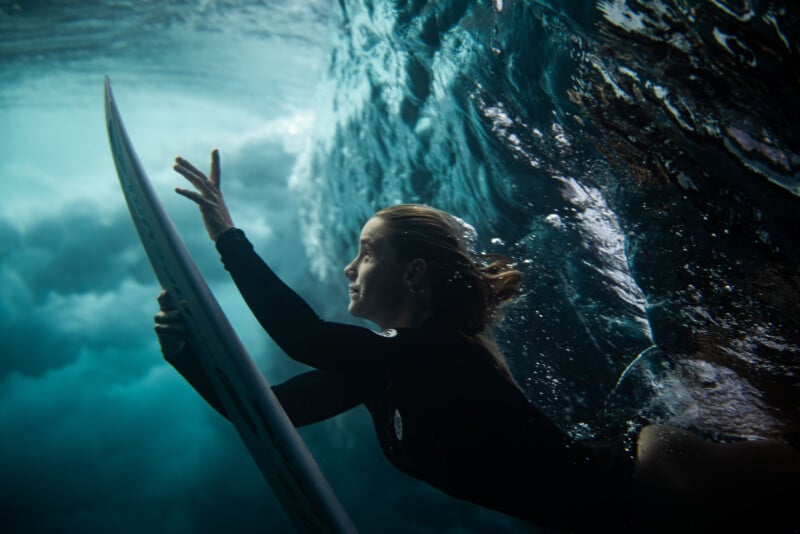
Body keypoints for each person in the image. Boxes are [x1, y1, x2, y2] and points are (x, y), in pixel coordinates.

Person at [155, 150, 800, 533]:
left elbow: (300, 337)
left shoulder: (432, 355)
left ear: (414, 274)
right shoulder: (385, 374)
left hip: (664, 484)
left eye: (365, 251)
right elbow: (273, 413)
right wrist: (187, 357)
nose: (350, 268)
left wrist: (226, 238)